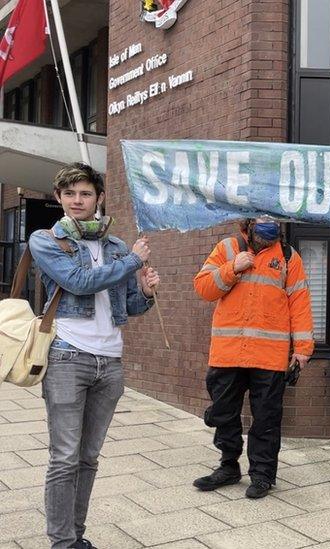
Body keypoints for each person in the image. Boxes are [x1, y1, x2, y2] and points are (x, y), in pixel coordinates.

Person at [30, 162, 159, 549]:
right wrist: (132, 263)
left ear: (99, 198)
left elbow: (130, 308)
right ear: (59, 198)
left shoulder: (116, 246)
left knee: (88, 458)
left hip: (110, 362)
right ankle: (61, 542)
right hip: (69, 357)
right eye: (69, 194)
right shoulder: (46, 239)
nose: (77, 201)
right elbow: (78, 283)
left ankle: (77, 537)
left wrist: (146, 291)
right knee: (64, 458)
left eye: (85, 193)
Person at [192, 215, 313, 499]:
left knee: (266, 420)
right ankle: (228, 466)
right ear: (249, 225)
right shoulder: (228, 248)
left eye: (275, 227)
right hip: (228, 352)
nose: (270, 232)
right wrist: (232, 268)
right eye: (264, 226)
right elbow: (203, 288)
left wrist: (303, 348)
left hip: (269, 356)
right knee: (224, 414)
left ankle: (262, 475)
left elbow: (300, 300)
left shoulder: (287, 256)